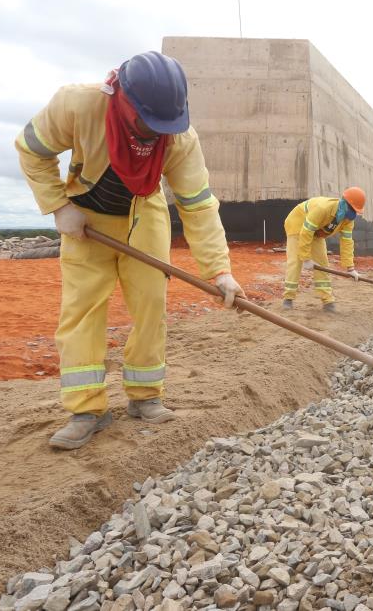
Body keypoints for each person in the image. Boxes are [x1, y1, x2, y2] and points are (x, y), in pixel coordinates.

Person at [15, 51, 245, 450]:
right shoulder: (77, 105)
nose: (155, 133)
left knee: (151, 305)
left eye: (164, 125)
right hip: (86, 221)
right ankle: (87, 409)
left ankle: (145, 397)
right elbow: (31, 148)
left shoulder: (178, 137)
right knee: (83, 310)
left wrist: (219, 270)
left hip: (145, 216)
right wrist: (58, 205)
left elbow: (198, 204)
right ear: (122, 99)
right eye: (147, 122)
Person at [281, 188, 366, 311]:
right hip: (298, 224)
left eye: (355, 211)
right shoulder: (323, 208)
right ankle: (288, 299)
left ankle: (327, 301)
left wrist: (350, 268)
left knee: (323, 263)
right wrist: (306, 259)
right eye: (352, 209)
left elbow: (347, 241)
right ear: (344, 203)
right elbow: (306, 231)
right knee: (296, 261)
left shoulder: (348, 220)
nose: (353, 213)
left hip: (316, 232)